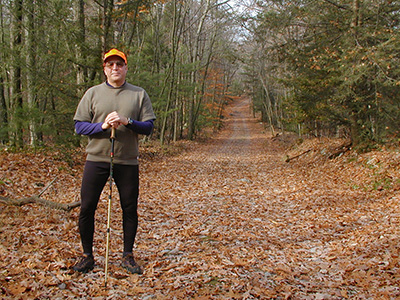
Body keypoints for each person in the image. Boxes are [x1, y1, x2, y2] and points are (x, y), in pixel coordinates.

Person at [72, 48, 156, 274]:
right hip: (97, 158)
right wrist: (103, 126)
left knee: (129, 208)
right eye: (111, 65)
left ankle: (127, 255)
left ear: (126, 68)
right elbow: (79, 125)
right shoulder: (92, 93)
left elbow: (149, 127)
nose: (115, 68)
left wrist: (127, 121)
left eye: (119, 64)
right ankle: (87, 256)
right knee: (87, 207)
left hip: (127, 161)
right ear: (105, 69)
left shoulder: (139, 94)